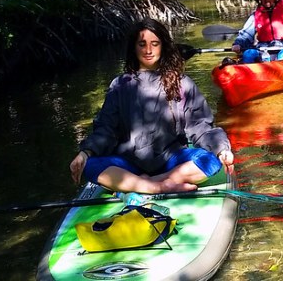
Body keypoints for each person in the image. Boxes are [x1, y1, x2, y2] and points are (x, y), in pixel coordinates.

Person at [70, 18, 234, 195]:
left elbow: (201, 127)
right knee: (91, 166)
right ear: (134, 48)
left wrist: (221, 149)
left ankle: (144, 185)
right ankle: (160, 187)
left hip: (172, 162)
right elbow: (106, 129)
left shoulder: (182, 84)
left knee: (210, 161)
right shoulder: (120, 85)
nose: (148, 50)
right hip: (129, 163)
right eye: (142, 44)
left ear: (163, 47)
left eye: (154, 44)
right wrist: (86, 153)